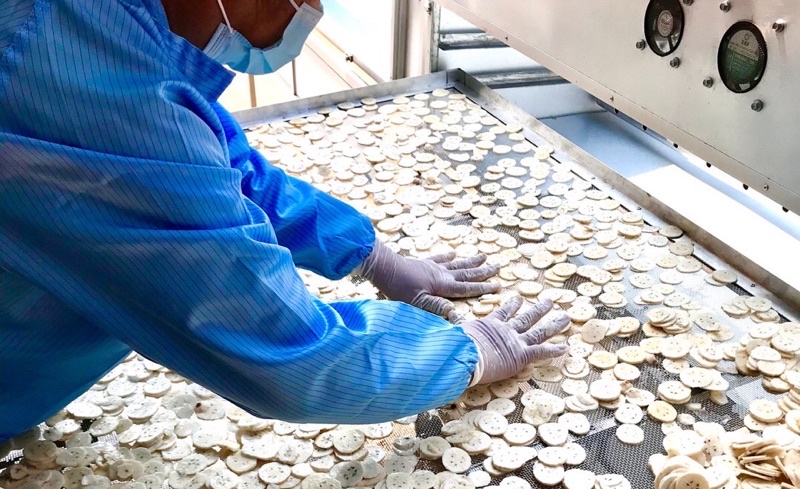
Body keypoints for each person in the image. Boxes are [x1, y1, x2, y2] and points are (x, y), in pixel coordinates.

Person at [0, 0, 569, 442]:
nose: (311, 11)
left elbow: (221, 167)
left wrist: (367, 254)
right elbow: (287, 354)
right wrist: (465, 351)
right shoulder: (81, 87)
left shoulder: (104, 26)